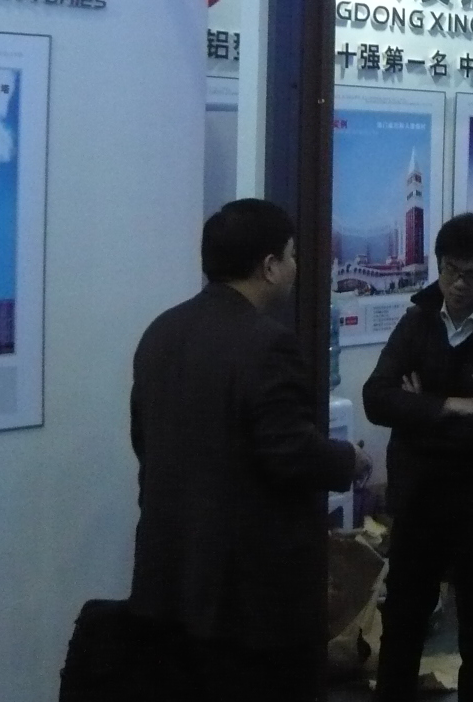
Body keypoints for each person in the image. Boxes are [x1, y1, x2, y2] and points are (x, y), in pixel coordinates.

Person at [128, 199, 364, 702]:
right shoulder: (267, 343)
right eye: (292, 255)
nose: (296, 267)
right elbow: (288, 453)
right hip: (247, 595)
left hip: (169, 577)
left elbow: (143, 441)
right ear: (269, 265)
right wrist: (350, 460)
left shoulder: (160, 332)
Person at [364, 213, 473, 702]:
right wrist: (452, 405)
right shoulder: (417, 322)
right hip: (418, 499)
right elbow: (376, 398)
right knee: (403, 619)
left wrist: (419, 411)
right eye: (450, 270)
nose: (458, 284)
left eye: (472, 274)